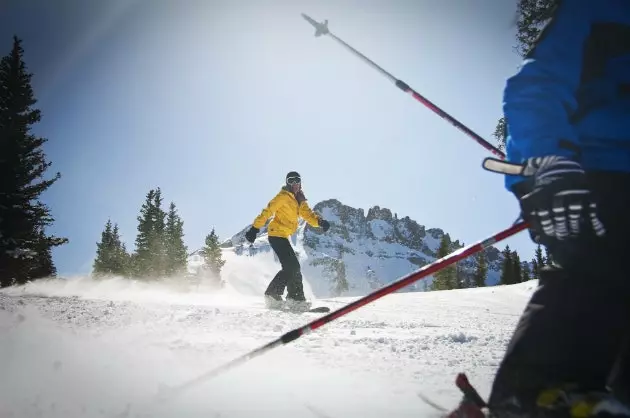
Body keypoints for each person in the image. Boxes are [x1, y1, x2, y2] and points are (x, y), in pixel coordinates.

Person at [448, 1, 630, 416]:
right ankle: (538, 393)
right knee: (603, 255)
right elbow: (537, 87)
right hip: (594, 173)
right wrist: (548, 165)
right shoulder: (603, 11)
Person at [245, 171, 330, 311]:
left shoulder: (300, 200)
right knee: (292, 267)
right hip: (275, 234)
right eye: (291, 181)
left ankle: (294, 298)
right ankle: (275, 295)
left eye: (297, 180)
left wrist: (320, 222)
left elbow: (308, 215)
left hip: (283, 236)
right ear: (287, 183)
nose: (295, 183)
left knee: (293, 267)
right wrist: (254, 228)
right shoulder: (283, 197)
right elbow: (267, 211)